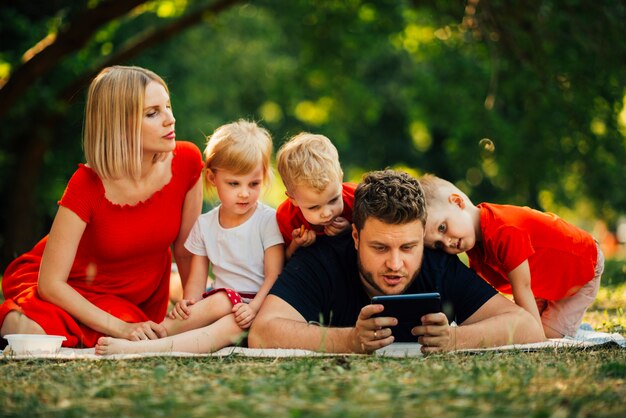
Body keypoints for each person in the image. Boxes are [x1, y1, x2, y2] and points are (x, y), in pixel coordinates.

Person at [0, 66, 203, 347]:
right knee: (34, 335)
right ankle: (20, 317)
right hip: (70, 286)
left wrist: (191, 302)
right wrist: (118, 328)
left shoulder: (188, 161)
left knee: (147, 331)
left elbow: (186, 249)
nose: (171, 119)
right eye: (153, 113)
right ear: (119, 123)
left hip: (136, 297)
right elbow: (50, 284)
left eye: (168, 106)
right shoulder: (87, 184)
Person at [249, 170, 545, 354]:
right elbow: (263, 332)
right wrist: (349, 341)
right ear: (355, 236)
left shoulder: (436, 262)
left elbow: (527, 327)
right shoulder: (321, 258)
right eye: (379, 247)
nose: (395, 263)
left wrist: (454, 339)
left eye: (408, 247)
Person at [95, 120, 284, 355]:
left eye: (254, 183)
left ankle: (147, 348)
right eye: (234, 183)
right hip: (219, 301)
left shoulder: (267, 221)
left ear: (264, 177)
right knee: (208, 307)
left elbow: (274, 275)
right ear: (213, 178)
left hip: (257, 306)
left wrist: (253, 308)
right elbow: (196, 279)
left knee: (223, 321)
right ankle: (145, 336)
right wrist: (189, 302)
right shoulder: (205, 225)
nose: (244, 193)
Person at [418, 174, 604, 338]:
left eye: (442, 227)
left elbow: (522, 287)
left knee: (547, 335)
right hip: (542, 282)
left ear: (458, 203)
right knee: (519, 326)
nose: (447, 242)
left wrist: (534, 337)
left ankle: (575, 331)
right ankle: (567, 327)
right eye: (438, 245)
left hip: (581, 266)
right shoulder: (474, 249)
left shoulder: (504, 229)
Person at [275, 132, 356, 259]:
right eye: (314, 207)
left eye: (334, 200)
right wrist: (296, 244)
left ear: (340, 179)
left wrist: (350, 230)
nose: (327, 213)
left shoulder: (357, 198)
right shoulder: (286, 217)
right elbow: (282, 260)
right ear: (293, 199)